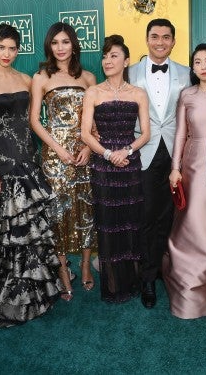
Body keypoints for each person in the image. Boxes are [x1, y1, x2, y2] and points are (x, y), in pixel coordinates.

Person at [0, 24, 63, 326]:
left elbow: (35, 120)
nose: (7, 53)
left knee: (32, 225)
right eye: (1, 48)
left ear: (18, 50)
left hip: (28, 157)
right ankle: (12, 291)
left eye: (12, 48)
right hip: (3, 162)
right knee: (11, 227)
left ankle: (35, 287)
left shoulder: (27, 79)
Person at [29, 22, 97, 300]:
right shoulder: (41, 77)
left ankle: (85, 265)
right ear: (49, 46)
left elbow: (95, 122)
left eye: (65, 42)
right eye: (55, 42)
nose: (60, 47)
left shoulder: (89, 78)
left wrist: (89, 148)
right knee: (57, 213)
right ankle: (62, 270)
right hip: (55, 155)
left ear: (74, 45)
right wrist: (57, 148)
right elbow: (35, 119)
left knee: (87, 209)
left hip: (84, 153)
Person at [81, 34, 151, 303]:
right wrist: (109, 154)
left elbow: (145, 134)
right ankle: (112, 284)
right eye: (105, 56)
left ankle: (132, 281)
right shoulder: (93, 92)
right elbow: (85, 134)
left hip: (130, 164)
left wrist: (127, 151)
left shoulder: (138, 93)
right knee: (108, 224)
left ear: (126, 61)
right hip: (104, 166)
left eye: (114, 56)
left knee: (131, 223)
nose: (107, 61)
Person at [128, 18, 191, 308]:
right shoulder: (129, 72)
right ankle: (147, 278)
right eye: (155, 36)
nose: (160, 42)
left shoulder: (187, 73)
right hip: (143, 151)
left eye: (166, 37)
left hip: (178, 153)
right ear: (147, 39)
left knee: (173, 217)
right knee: (146, 216)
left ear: (173, 41)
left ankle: (167, 270)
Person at [162, 43, 206, 319]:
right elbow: (180, 133)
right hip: (193, 164)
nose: (202, 66)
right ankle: (191, 276)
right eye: (197, 62)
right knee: (192, 222)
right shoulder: (186, 95)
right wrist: (175, 168)